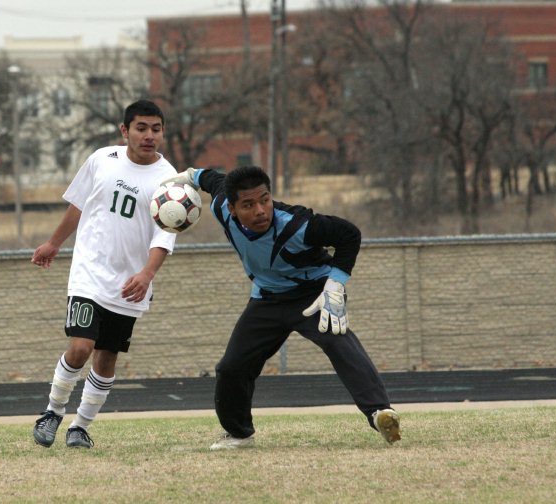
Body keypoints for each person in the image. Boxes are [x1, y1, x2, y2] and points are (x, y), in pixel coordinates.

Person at [161, 165, 401, 450]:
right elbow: (209, 179)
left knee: (339, 344)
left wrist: (335, 284)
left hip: (314, 295)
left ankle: (379, 413)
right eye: (248, 205)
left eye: (265, 199)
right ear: (232, 208)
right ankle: (239, 434)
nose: (261, 210)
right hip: (267, 298)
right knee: (231, 367)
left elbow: (349, 235)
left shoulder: (298, 225)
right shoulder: (220, 205)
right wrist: (189, 176)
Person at [30, 99, 178, 449]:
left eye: (155, 129)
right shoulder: (101, 160)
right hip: (89, 273)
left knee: (107, 357)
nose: (149, 136)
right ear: (125, 131)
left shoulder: (169, 180)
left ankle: (80, 426)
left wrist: (146, 274)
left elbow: (165, 234)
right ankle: (52, 411)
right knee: (80, 347)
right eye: (141, 128)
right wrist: (54, 243)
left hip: (130, 284)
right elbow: (78, 204)